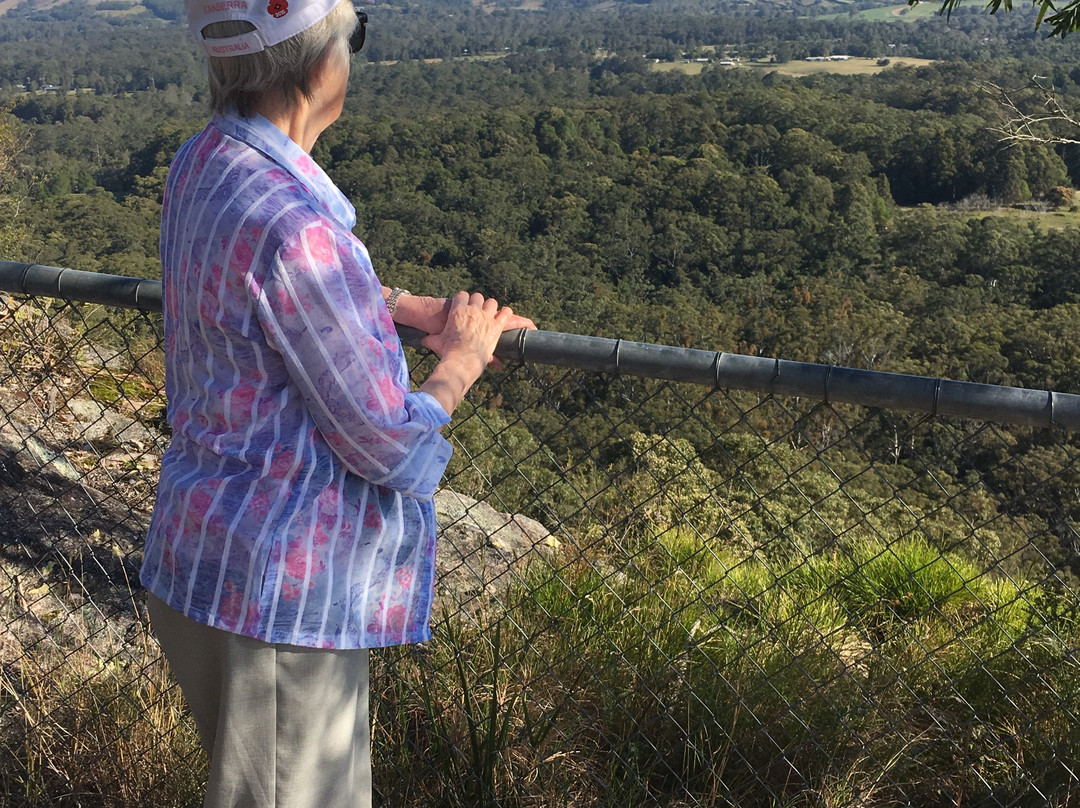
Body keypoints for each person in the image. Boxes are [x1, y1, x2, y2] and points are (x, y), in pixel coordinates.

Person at [141, 1, 534, 805]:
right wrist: (460, 361)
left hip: (202, 561)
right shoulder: (297, 225)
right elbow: (388, 442)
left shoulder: (203, 161)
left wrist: (392, 304)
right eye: (354, 37)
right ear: (322, 67)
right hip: (279, 600)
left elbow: (260, 292)